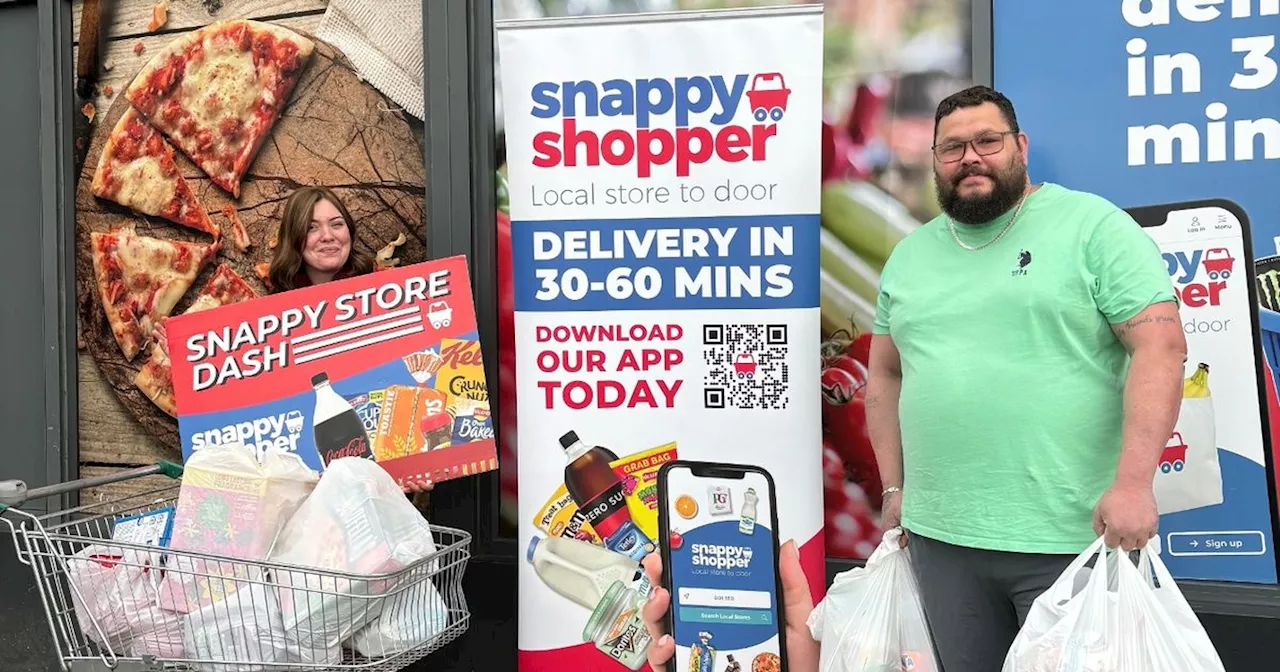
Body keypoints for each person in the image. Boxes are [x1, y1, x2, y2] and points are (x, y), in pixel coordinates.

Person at [866, 85, 1186, 670]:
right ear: (934, 160)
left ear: (1020, 146)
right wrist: (893, 488)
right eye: (952, 148)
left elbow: (1161, 348)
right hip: (942, 541)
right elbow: (884, 374)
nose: (970, 158)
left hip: (1073, 537)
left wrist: (1135, 485)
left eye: (987, 141)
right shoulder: (909, 255)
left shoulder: (1093, 226)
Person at [269, 186, 434, 496]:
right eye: (311, 227)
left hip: (382, 499)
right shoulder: (269, 323)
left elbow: (403, 389)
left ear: (349, 231)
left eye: (337, 223)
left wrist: (416, 464)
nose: (328, 235)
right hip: (311, 510)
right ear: (294, 238)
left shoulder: (389, 300)